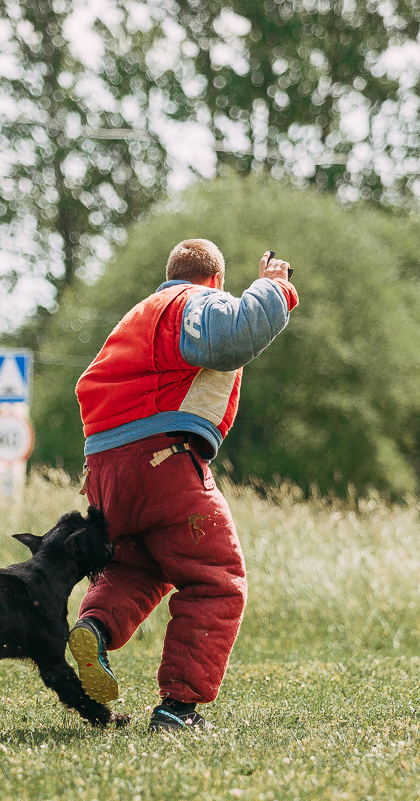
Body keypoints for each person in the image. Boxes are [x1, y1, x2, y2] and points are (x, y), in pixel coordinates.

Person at [67, 238, 298, 731]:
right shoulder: (191, 302)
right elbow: (233, 334)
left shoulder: (139, 315)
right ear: (215, 280)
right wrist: (273, 288)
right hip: (162, 460)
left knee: (140, 565)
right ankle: (179, 708)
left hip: (104, 473)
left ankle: (94, 628)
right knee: (217, 579)